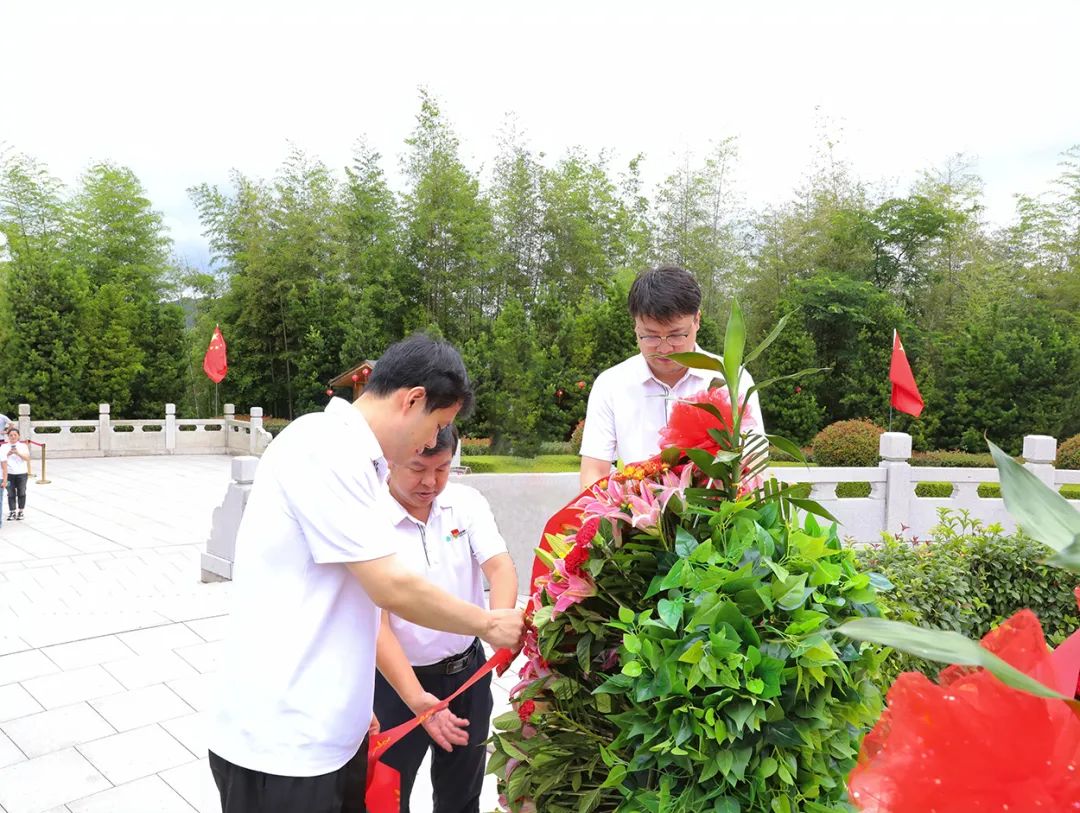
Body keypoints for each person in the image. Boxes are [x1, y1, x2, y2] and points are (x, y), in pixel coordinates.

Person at [207, 334, 525, 813]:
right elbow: (389, 586)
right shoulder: (323, 447)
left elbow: (348, 602)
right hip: (284, 744)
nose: (432, 442)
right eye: (437, 425)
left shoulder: (359, 463)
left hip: (330, 731)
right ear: (412, 400)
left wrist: (354, 704)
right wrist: (488, 623)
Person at [373, 423, 518, 812]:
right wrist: (416, 698)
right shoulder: (369, 517)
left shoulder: (465, 503)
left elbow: (500, 567)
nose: (430, 482)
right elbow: (375, 625)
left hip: (465, 675)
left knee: (462, 793)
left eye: (442, 468)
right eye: (418, 468)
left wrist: (500, 627)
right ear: (391, 459)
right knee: (387, 794)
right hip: (394, 682)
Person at [579, 265, 765, 489]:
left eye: (677, 335)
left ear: (697, 320)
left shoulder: (731, 380)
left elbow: (753, 469)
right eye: (650, 336)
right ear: (635, 326)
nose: (664, 349)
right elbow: (594, 472)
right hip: (635, 507)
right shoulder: (611, 385)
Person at [3, 427, 31, 520]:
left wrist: (18, 453)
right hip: (8, 474)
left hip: (22, 474)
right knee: (10, 493)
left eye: (15, 435)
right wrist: (8, 454)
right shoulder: (4, 447)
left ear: (18, 436)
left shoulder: (23, 446)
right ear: (8, 436)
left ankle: (21, 511)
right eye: (11, 435)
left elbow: (27, 458)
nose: (13, 437)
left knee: (21, 492)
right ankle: (12, 512)